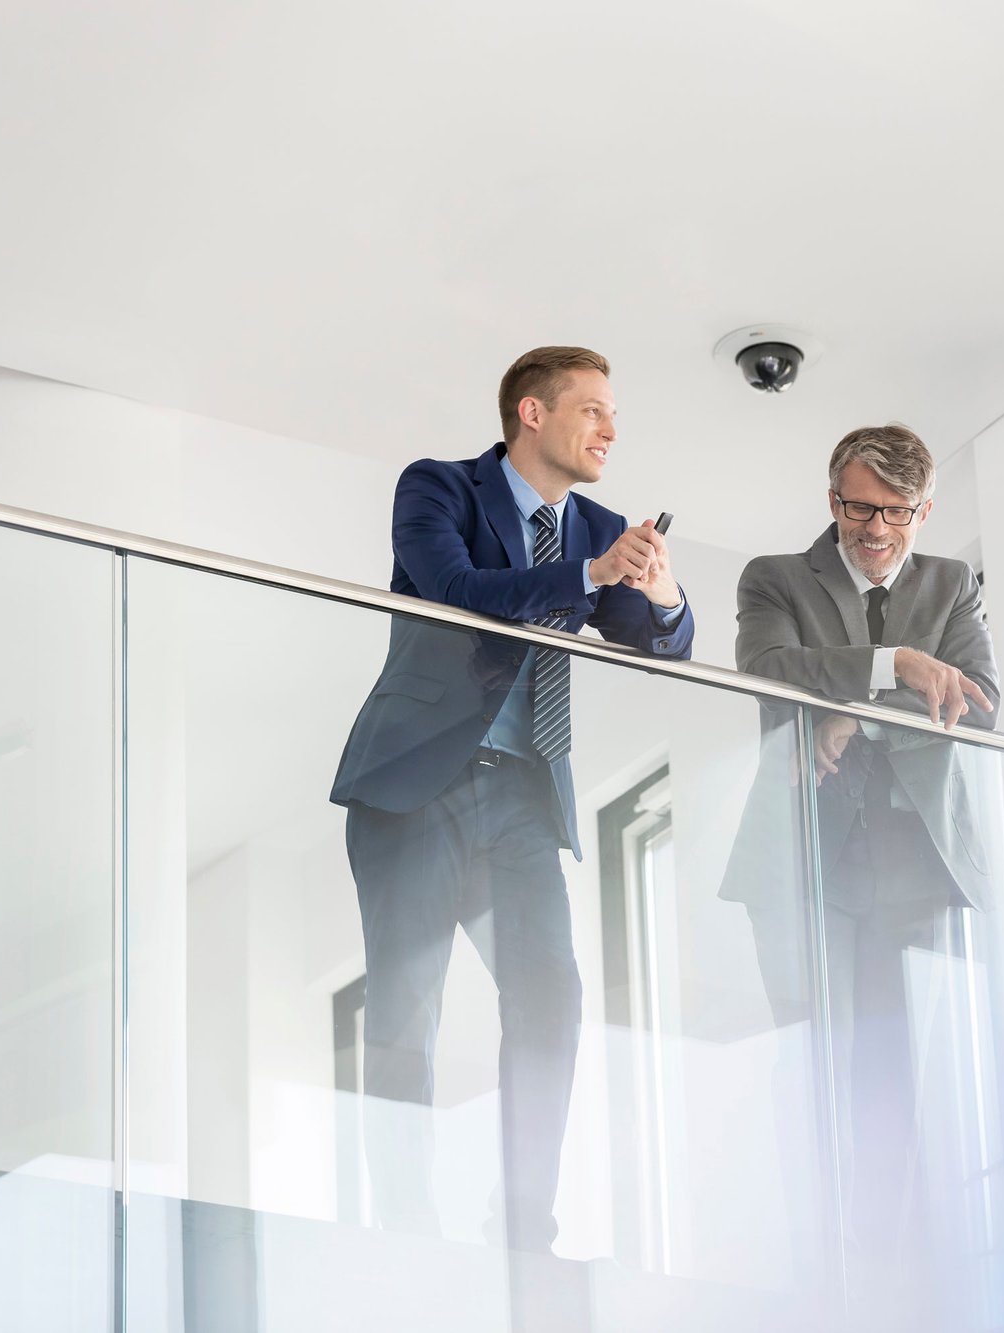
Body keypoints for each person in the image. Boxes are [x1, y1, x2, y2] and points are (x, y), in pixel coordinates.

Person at [330, 345, 694, 1254]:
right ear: (534, 413)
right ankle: (403, 1228)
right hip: (421, 783)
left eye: (614, 415)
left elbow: (664, 645)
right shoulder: (439, 487)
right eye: (594, 410)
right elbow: (456, 589)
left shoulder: (596, 527)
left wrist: (660, 590)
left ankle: (526, 1226)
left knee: (551, 996)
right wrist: (590, 576)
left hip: (526, 794)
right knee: (408, 1005)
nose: (611, 430)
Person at [719, 423, 998, 1309]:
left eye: (895, 512)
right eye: (857, 506)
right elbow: (769, 668)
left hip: (916, 865)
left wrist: (854, 711)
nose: (874, 528)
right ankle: (815, 1272)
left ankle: (888, 1280)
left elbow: (982, 705)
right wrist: (896, 667)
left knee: (898, 1080)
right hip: (805, 856)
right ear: (832, 497)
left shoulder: (951, 585)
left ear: (924, 510)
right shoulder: (774, 578)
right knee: (813, 1064)